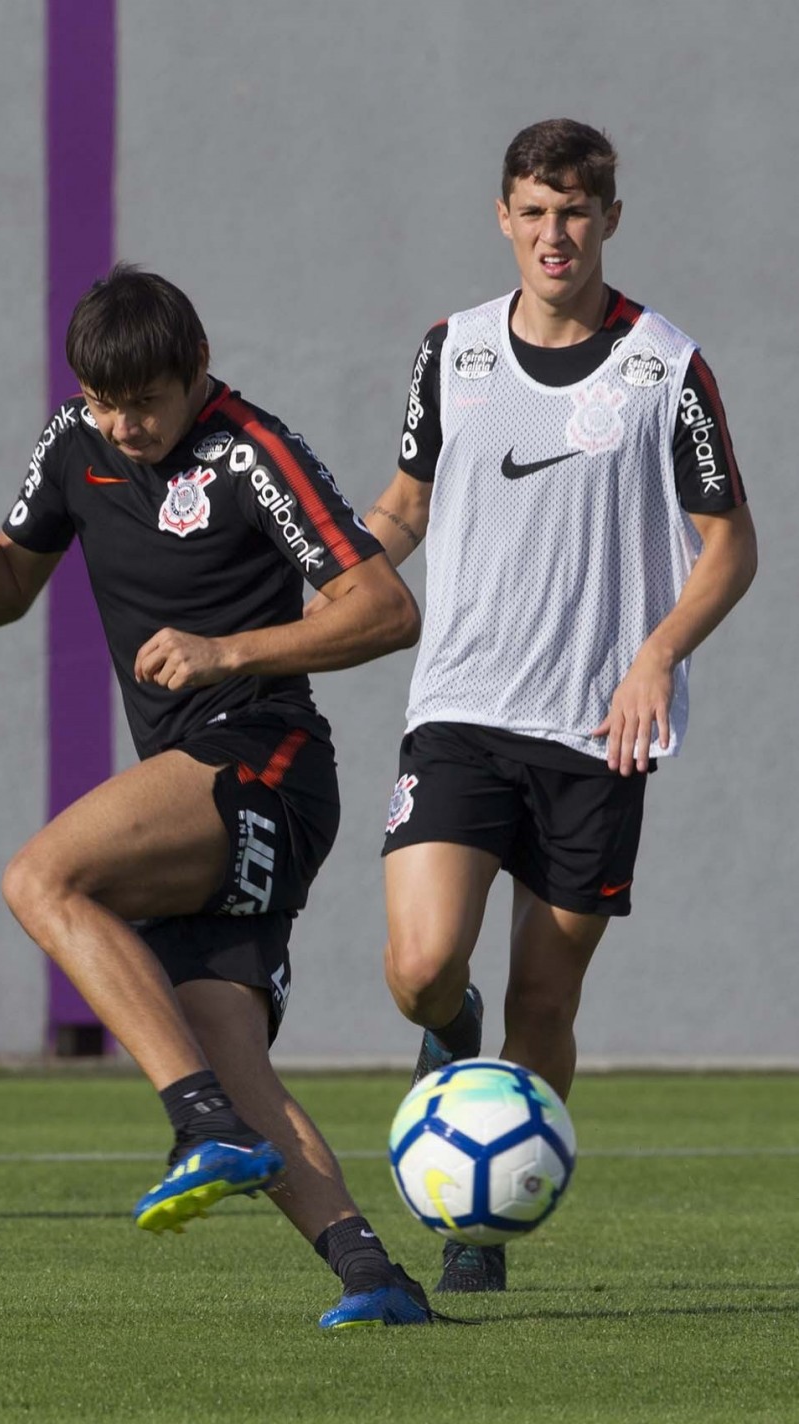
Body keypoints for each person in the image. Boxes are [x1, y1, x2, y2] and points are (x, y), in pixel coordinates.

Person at [0, 263, 433, 1329]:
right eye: (104, 400)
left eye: (143, 401)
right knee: (231, 1059)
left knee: (42, 875)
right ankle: (373, 1274)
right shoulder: (74, 441)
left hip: (266, 760)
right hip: (205, 784)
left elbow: (384, 607)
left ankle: (198, 1127)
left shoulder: (253, 450)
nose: (123, 423)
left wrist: (225, 648)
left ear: (195, 372)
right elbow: (3, 595)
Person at [356, 119, 757, 1294]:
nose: (553, 233)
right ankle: (447, 1020)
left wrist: (655, 654)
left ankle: (479, 1226)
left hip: (597, 729)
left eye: (574, 212)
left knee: (546, 995)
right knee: (422, 967)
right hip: (462, 708)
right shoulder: (454, 350)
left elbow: (728, 547)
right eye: (533, 211)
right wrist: (336, 569)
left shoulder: (664, 365)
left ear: (609, 221)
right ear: (502, 216)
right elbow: (404, 505)